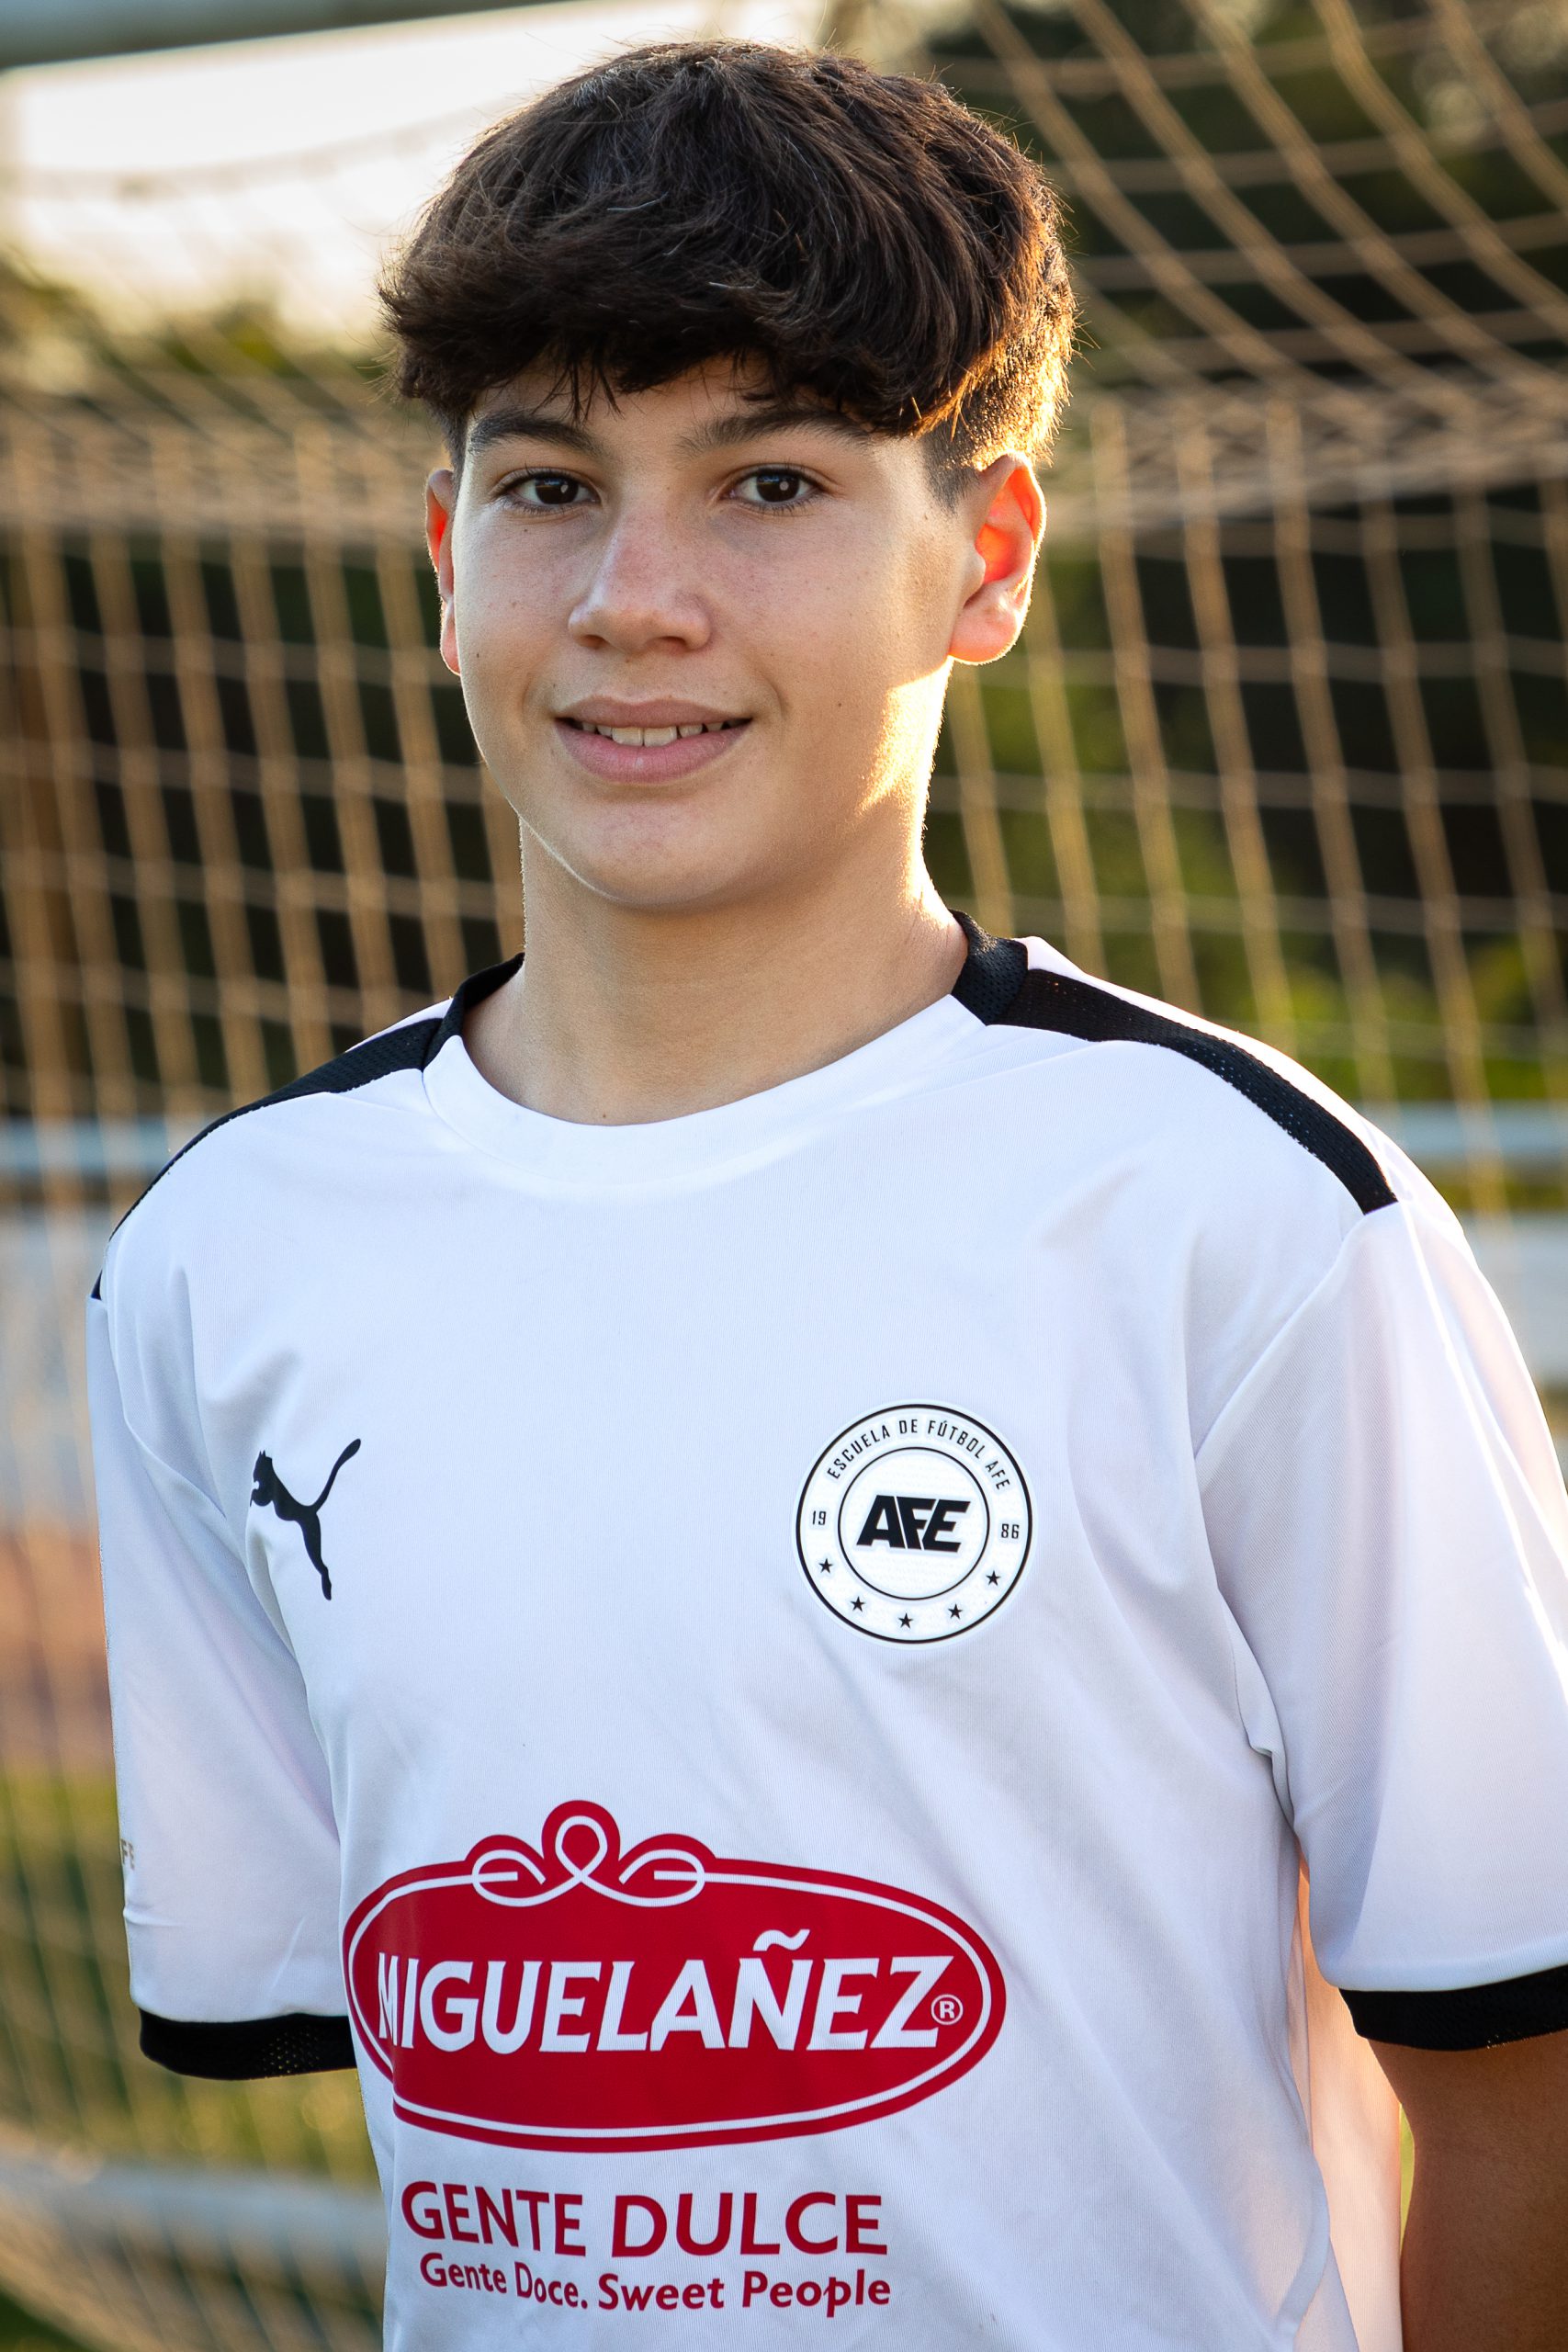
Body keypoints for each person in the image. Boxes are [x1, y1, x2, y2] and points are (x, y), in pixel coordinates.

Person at [88, 39, 1568, 2352]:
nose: (635, 596)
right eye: (550, 484)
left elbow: (1517, 2092)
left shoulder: (1239, 1219)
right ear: (447, 562)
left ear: (983, 558)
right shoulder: (224, 1254)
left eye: (767, 481)